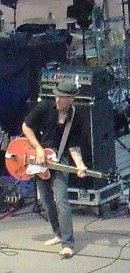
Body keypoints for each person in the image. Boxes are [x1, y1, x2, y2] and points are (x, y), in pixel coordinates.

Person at [22, 79, 88, 259]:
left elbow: (73, 145)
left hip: (60, 158)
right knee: (46, 199)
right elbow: (26, 127)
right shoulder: (44, 107)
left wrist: (80, 165)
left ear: (72, 99)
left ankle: (68, 243)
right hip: (40, 156)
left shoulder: (76, 116)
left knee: (62, 199)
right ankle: (58, 233)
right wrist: (38, 149)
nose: (58, 100)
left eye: (62, 97)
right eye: (57, 96)